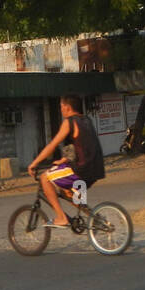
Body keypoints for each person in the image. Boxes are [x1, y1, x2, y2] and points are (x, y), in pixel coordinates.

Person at [28, 95, 104, 229]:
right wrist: (64, 160)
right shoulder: (86, 120)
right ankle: (94, 217)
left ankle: (62, 218)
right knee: (67, 192)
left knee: (45, 178)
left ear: (67, 107)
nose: (61, 109)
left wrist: (34, 163)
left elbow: (52, 145)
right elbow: (83, 145)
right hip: (97, 169)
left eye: (61, 106)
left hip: (82, 169)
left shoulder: (69, 122)